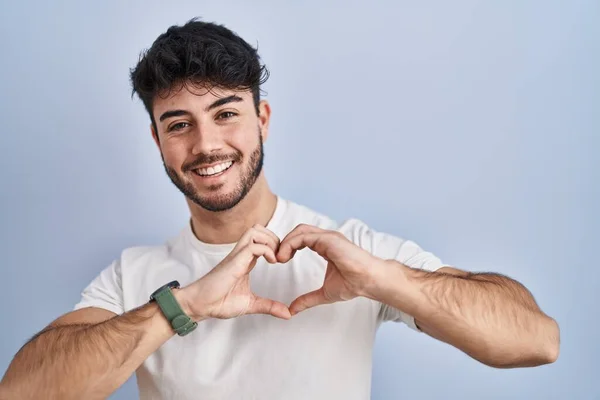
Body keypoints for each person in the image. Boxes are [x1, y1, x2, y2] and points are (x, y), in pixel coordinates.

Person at [0, 18, 560, 400]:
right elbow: (20, 391)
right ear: (157, 141)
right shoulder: (135, 277)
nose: (206, 145)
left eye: (226, 114)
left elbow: (537, 341)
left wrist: (382, 280)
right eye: (179, 125)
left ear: (262, 118)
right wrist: (183, 304)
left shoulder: (352, 250)